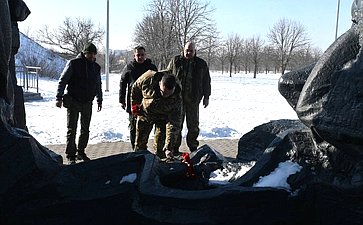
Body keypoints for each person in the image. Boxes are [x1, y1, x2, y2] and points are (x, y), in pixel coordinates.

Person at [55, 42, 103, 164]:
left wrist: (99, 99)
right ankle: (71, 154)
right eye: (89, 54)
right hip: (73, 101)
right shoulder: (73, 64)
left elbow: (98, 84)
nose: (92, 56)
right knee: (72, 128)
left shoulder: (96, 67)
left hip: (88, 102)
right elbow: (63, 81)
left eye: (94, 54)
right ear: (84, 53)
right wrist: (59, 97)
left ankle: (81, 151)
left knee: (85, 129)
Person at [166, 41, 211, 153]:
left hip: (193, 100)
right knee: (176, 125)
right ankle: (175, 148)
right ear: (183, 49)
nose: (189, 53)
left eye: (191, 51)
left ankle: (193, 146)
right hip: (177, 100)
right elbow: (167, 76)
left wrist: (206, 96)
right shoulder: (176, 61)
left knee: (193, 126)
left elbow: (206, 81)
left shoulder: (201, 64)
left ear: (195, 51)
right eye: (187, 50)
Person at [131, 70, 182, 159]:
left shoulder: (177, 97)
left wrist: (168, 148)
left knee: (160, 148)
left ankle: (159, 164)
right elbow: (135, 88)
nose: (165, 96)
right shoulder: (148, 78)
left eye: (168, 94)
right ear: (159, 84)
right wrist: (135, 105)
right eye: (163, 93)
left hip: (163, 118)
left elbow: (174, 123)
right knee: (140, 145)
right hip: (145, 114)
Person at [119, 46, 157, 149]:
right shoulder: (129, 67)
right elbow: (122, 84)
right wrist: (121, 100)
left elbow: (158, 84)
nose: (140, 57)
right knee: (133, 127)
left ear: (145, 55)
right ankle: (135, 149)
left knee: (146, 127)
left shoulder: (151, 68)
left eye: (142, 55)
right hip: (133, 102)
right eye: (138, 55)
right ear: (134, 55)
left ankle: (143, 147)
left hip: (148, 103)